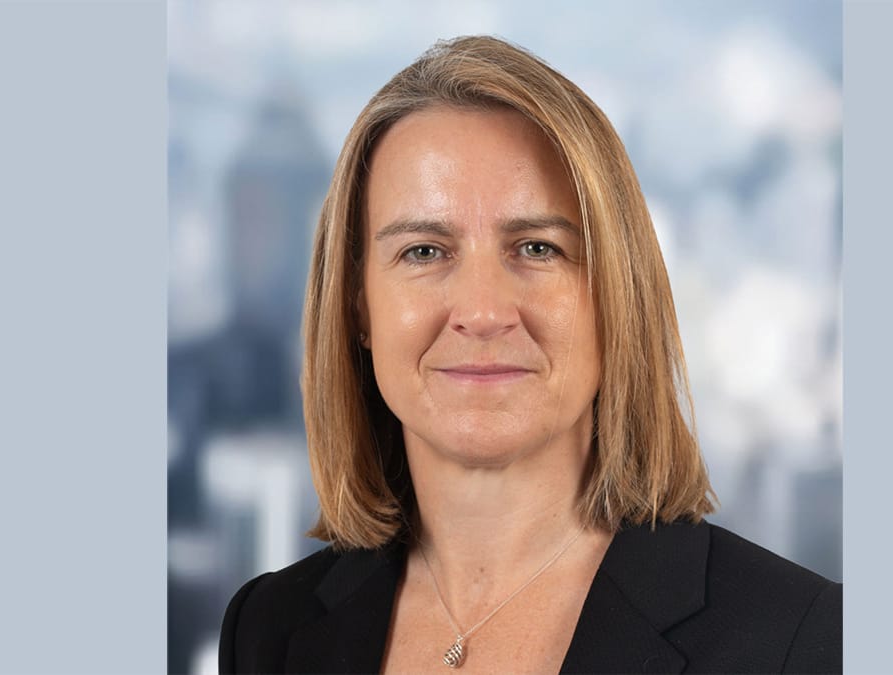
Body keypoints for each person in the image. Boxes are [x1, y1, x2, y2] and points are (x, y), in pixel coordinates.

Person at [220, 35, 841, 674]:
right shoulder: (269, 629)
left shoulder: (799, 639)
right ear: (357, 305)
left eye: (538, 248)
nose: (484, 312)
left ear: (616, 295)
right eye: (424, 252)